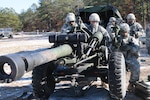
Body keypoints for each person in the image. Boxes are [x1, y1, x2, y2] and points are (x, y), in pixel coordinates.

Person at [119, 23, 140, 92]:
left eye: (126, 32)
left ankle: (132, 83)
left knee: (136, 67)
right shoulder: (117, 39)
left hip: (130, 57)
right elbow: (111, 48)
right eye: (123, 32)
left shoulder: (131, 39)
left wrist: (129, 48)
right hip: (119, 58)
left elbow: (136, 48)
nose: (124, 34)